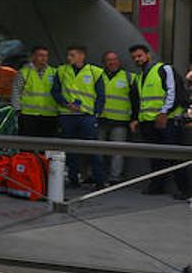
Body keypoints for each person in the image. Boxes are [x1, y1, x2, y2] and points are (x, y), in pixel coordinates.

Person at [129, 43, 190, 199]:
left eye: (140, 56)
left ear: (148, 55)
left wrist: (164, 113)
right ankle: (157, 186)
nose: (137, 59)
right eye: (134, 57)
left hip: (167, 121)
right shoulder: (139, 77)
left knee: (174, 155)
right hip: (148, 123)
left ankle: (186, 190)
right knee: (156, 157)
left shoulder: (164, 69)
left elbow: (173, 91)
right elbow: (139, 101)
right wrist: (136, 119)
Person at [54, 45, 105, 188]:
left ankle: (99, 180)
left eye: (72, 55)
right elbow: (55, 92)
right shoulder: (61, 70)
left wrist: (96, 114)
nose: (68, 58)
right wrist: (65, 104)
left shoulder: (95, 72)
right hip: (67, 115)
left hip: (86, 116)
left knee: (93, 148)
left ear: (82, 56)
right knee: (70, 149)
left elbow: (101, 96)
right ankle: (73, 179)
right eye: (68, 55)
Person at [97, 51, 139, 183]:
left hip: (120, 121)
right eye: (109, 60)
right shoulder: (97, 76)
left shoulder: (129, 77)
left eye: (114, 59)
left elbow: (136, 101)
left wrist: (134, 118)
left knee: (118, 151)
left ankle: (115, 178)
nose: (112, 62)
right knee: (98, 150)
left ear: (119, 61)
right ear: (104, 63)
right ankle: (99, 177)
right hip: (101, 119)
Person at [13, 46, 58, 138]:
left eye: (46, 56)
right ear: (33, 57)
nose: (44, 58)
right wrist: (17, 109)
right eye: (40, 55)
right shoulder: (24, 72)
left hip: (49, 115)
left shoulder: (54, 72)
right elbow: (16, 91)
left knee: (47, 145)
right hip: (28, 114)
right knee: (27, 145)